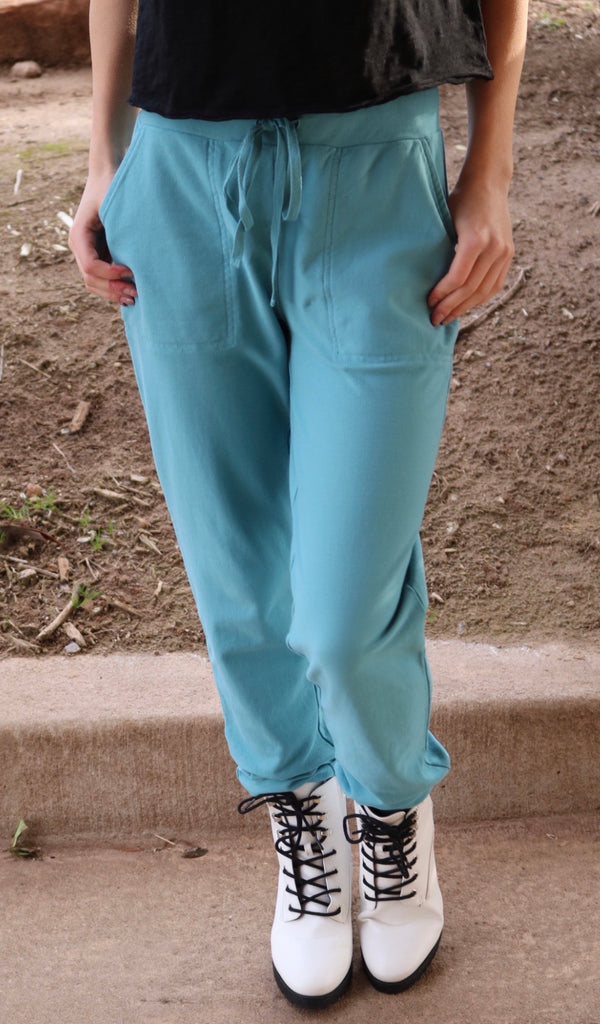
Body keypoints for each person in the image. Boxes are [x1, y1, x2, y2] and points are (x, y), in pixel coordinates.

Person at [70, 0, 528, 1009]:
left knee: (342, 611)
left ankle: (390, 803)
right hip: (180, 169)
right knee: (233, 568)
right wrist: (106, 154)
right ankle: (300, 810)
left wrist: (489, 171)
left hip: (377, 164)